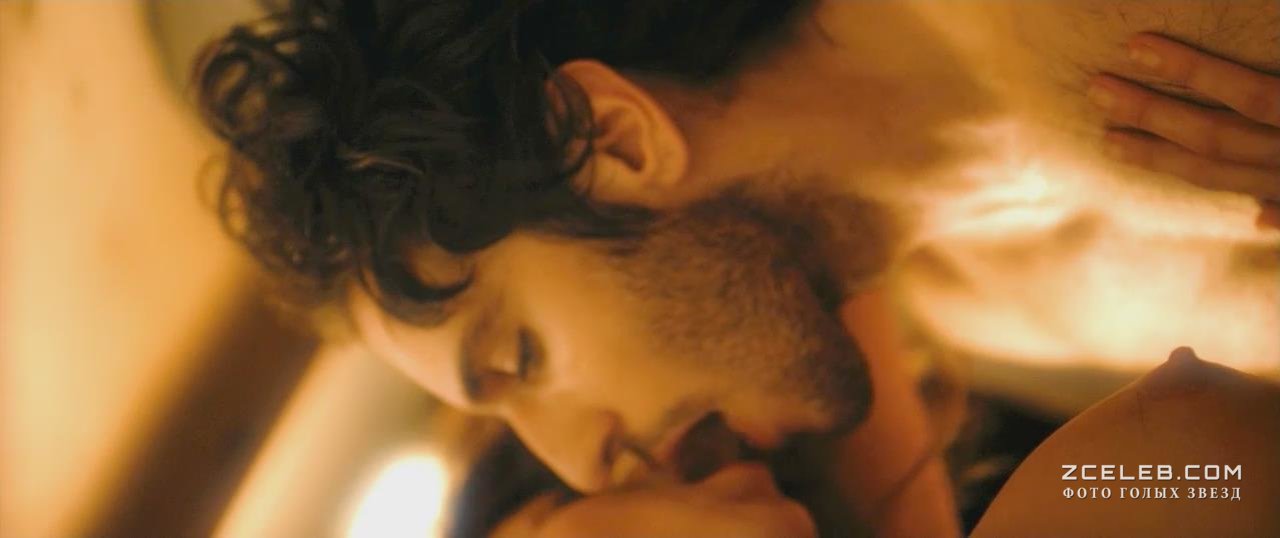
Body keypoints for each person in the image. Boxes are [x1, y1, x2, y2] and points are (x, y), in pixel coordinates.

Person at [191, 0, 1279, 535]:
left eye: (517, 355)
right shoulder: (988, 305)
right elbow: (1204, 476)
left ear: (612, 140)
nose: (582, 466)